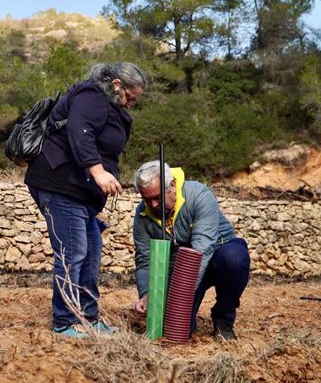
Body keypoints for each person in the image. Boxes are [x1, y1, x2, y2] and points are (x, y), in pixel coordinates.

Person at [25, 62, 148, 338]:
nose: (130, 104)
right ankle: (65, 321)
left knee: (91, 253)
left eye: (134, 101)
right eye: (129, 97)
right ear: (116, 84)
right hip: (60, 184)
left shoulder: (110, 107)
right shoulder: (91, 95)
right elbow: (80, 129)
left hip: (81, 194)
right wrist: (97, 171)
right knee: (73, 253)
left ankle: (89, 318)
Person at [132, 161, 251, 340]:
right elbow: (144, 259)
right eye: (146, 199)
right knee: (175, 331)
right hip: (180, 268)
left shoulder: (199, 195)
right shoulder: (142, 215)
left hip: (214, 256)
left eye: (157, 197)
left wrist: (178, 296)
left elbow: (201, 248)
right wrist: (147, 294)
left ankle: (223, 318)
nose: (153, 205)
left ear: (172, 185)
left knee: (234, 259)